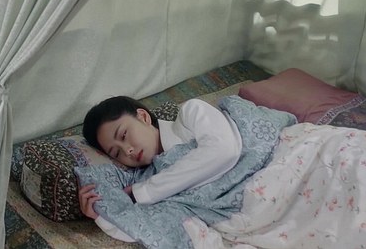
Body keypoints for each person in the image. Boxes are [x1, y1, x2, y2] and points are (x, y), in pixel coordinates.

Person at [78, 95, 243, 241]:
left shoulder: (190, 113)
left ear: (143, 117)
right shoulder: (148, 178)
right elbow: (159, 231)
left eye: (124, 135)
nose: (127, 151)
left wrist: (145, 191)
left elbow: (224, 150)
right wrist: (102, 216)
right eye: (116, 153)